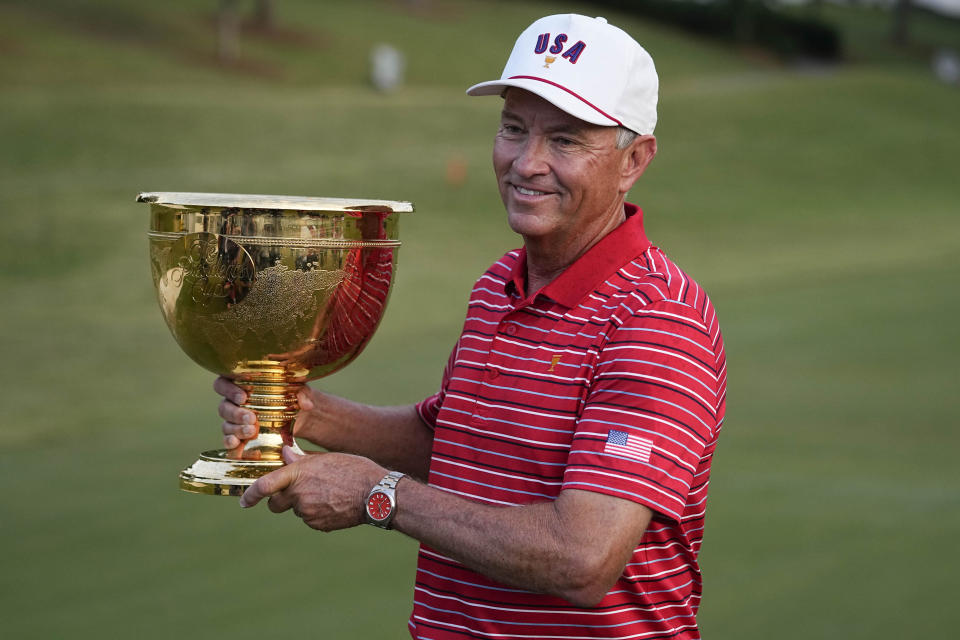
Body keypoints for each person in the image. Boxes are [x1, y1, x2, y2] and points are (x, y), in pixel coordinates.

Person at [215, 14, 726, 640]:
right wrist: (308, 413)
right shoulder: (498, 286)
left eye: (565, 141)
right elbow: (456, 446)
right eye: (513, 129)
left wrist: (382, 495)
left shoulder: (657, 320)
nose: (527, 162)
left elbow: (582, 557)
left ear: (634, 160)